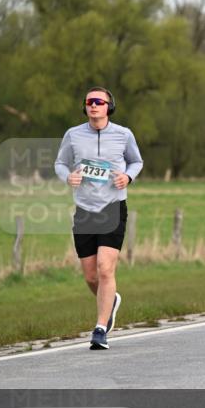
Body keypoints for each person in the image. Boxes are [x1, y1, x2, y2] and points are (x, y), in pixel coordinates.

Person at [54, 87, 144, 350]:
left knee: (106, 268)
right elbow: (60, 163)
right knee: (91, 276)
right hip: (84, 209)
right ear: (85, 107)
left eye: (99, 102)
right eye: (89, 102)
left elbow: (136, 162)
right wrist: (68, 177)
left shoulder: (123, 134)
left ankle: (100, 329)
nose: (93, 105)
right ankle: (111, 300)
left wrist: (127, 177)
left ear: (109, 107)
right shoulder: (73, 135)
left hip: (112, 207)